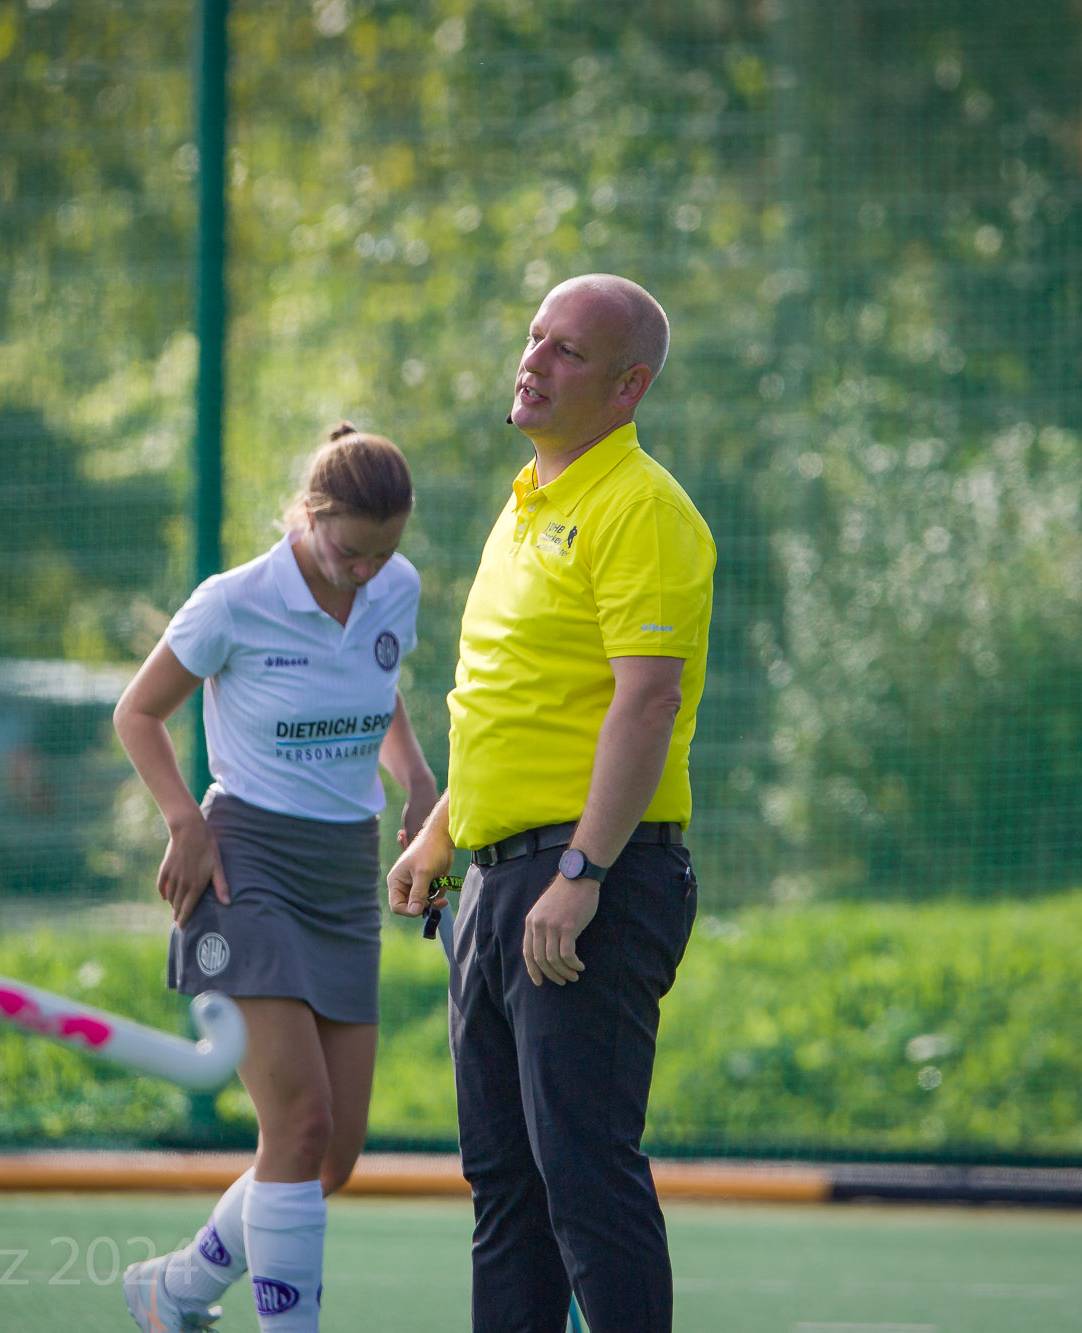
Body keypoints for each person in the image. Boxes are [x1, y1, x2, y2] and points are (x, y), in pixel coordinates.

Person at [387, 274, 715, 1333]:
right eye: (534, 337)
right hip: (495, 881)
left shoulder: (641, 508)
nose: (532, 362)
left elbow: (647, 700)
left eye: (567, 350)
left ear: (628, 387)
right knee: (505, 1186)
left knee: (583, 1175)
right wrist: (444, 832)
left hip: (583, 879)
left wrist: (581, 870)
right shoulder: (526, 499)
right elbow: (515, 699)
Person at [114, 424, 435, 1333]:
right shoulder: (233, 602)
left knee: (330, 1155)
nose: (364, 572)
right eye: (348, 551)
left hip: (345, 872)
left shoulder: (395, 587)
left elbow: (375, 682)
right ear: (309, 514)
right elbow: (138, 713)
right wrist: (184, 819)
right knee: (297, 1124)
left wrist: (415, 775)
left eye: (382, 555)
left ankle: (174, 1289)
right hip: (246, 864)